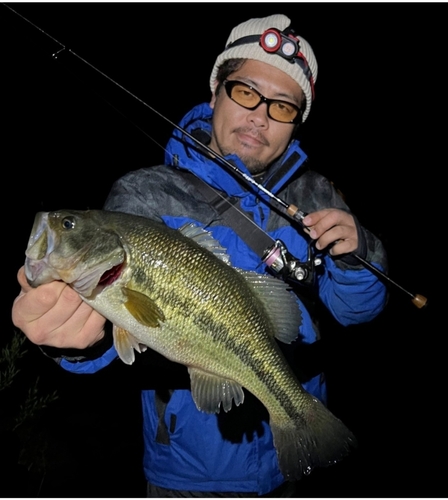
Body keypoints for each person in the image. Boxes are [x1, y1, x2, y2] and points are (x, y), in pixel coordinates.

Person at [12, 14, 388, 497]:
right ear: (215, 92)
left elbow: (354, 311)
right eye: (245, 92)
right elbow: (108, 336)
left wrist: (360, 253)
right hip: (187, 472)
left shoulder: (314, 194)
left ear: (297, 123)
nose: (260, 115)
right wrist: (73, 343)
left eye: (283, 106)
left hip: (288, 460)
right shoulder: (144, 193)